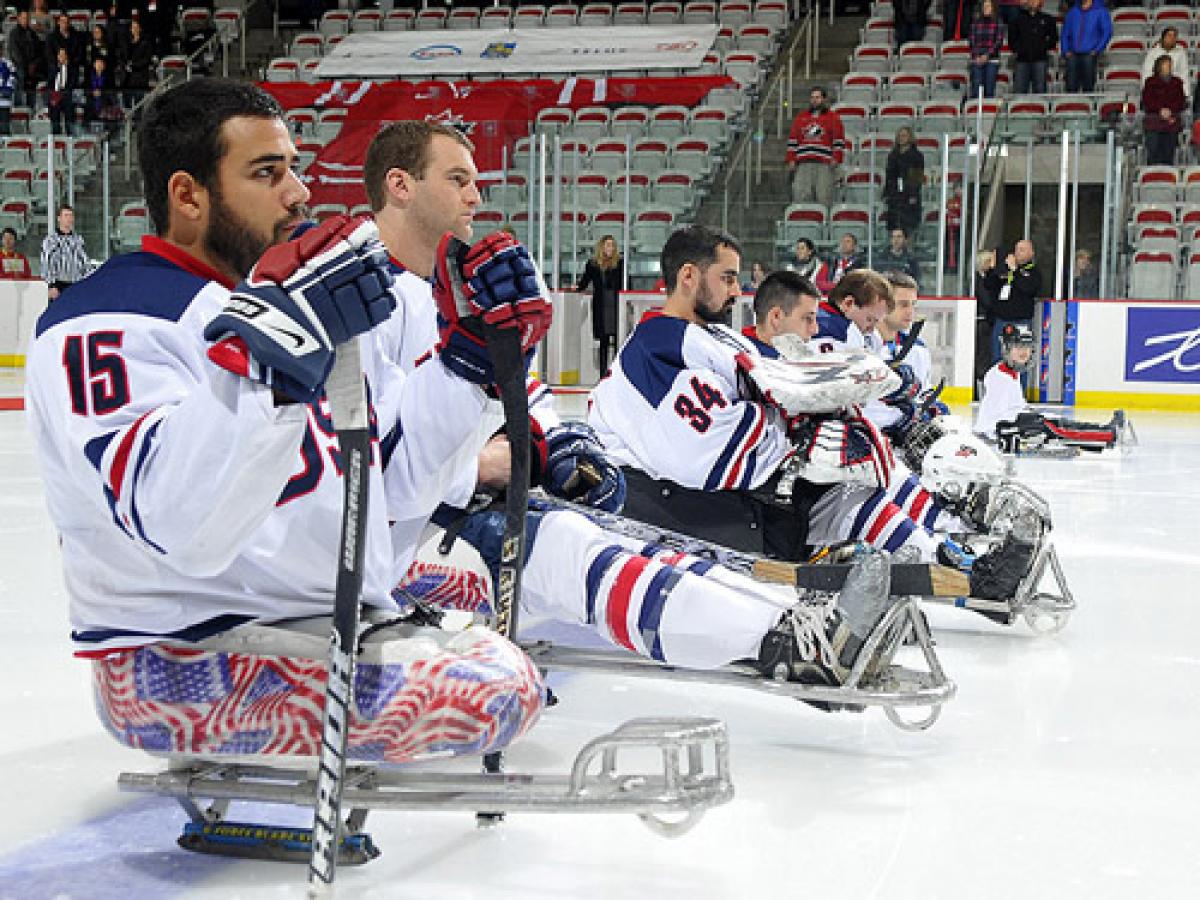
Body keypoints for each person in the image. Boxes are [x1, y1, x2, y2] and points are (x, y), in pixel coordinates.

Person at [25, 77, 552, 765]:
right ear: (188, 196)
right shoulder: (108, 315)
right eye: (267, 173)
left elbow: (387, 482)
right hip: (180, 648)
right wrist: (264, 368)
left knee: (470, 588)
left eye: (294, 169)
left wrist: (467, 362)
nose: (299, 193)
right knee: (501, 689)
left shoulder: (288, 296)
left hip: (278, 608)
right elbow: (177, 527)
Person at [362, 121, 899, 703]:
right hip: (398, 548)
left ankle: (798, 619)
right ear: (400, 185)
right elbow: (367, 465)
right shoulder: (358, 301)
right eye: (458, 179)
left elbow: (526, 395)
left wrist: (556, 442)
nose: (477, 197)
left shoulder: (447, 287)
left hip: (460, 504)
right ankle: (785, 644)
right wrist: (479, 466)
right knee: (569, 546)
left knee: (621, 537)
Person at [588, 230, 1032, 597]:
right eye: (726, 278)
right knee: (837, 488)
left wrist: (811, 421)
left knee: (854, 486)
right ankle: (960, 566)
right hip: (684, 506)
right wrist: (797, 443)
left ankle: (956, 562)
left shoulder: (719, 339)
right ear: (688, 276)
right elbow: (700, 447)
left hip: (740, 494)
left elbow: (779, 394)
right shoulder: (656, 345)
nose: (736, 290)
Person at [976, 323, 1122, 451]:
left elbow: (1013, 406)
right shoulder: (999, 377)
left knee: (1059, 422)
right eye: (1018, 347)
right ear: (1007, 349)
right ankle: (1109, 434)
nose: (1024, 352)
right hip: (1004, 427)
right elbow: (997, 417)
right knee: (1056, 428)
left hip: (1012, 422)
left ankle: (1103, 431)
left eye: (1027, 347)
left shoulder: (1011, 372)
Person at [786, 85, 844, 210]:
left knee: (824, 197)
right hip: (803, 163)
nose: (814, 100)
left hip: (824, 164)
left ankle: (824, 225)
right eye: (812, 97)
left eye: (817, 97)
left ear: (824, 99)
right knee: (801, 196)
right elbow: (793, 140)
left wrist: (836, 158)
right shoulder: (801, 117)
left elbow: (838, 141)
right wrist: (791, 159)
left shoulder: (833, 117)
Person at [988, 239, 1041, 366]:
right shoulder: (1006, 271)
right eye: (1016, 249)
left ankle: (1018, 385)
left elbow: (1028, 288)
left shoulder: (1033, 272)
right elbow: (990, 286)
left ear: (1031, 253)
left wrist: (1015, 270)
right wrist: (992, 268)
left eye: (1022, 250)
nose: (1018, 253)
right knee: (998, 359)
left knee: (1019, 361)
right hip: (1001, 321)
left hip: (1021, 323)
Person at [577, 234, 624, 373]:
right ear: (602, 247)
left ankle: (616, 373)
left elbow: (625, 283)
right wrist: (577, 287)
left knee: (617, 339)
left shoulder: (620, 263)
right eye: (607, 245)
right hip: (601, 304)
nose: (610, 248)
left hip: (616, 303)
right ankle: (603, 372)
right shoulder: (593, 264)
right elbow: (585, 282)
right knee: (603, 340)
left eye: (612, 245)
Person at [40, 205, 94, 300]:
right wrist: (51, 285)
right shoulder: (51, 240)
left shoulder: (78, 240)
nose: (69, 218)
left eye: (71, 216)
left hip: (75, 285)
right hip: (58, 286)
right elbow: (46, 263)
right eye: (66, 215)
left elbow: (84, 262)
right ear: (59, 218)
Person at [1142, 55, 1186, 166]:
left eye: (1170, 64)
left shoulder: (1177, 82)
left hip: (1172, 120)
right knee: (1153, 149)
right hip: (1154, 119)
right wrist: (1160, 110)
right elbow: (1147, 101)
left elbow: (1180, 101)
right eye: (1166, 64)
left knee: (1169, 152)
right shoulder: (1150, 82)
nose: (1169, 66)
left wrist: (1170, 111)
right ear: (1159, 66)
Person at [1061, 0, 1111, 94]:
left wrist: (1096, 50)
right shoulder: (1073, 11)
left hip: (1089, 54)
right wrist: (1066, 50)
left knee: (1088, 87)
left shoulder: (1101, 11)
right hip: (1072, 54)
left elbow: (1106, 32)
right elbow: (1065, 33)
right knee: (1070, 87)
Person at [1009, 0, 1058, 95]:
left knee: (1040, 91)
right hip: (1022, 60)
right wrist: (1020, 50)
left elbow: (1053, 38)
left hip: (1040, 60)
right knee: (1019, 91)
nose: (1032, 2)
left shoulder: (1048, 19)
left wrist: (1042, 47)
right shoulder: (1017, 20)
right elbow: (1012, 39)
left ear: (1040, 2)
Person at [882, 126, 923, 238]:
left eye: (904, 135)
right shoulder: (892, 155)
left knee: (908, 229)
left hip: (909, 197)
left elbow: (916, 178)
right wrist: (887, 193)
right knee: (894, 226)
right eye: (900, 136)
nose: (901, 138)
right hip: (894, 197)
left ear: (910, 137)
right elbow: (889, 176)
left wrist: (913, 194)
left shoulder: (917, 156)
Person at [1142, 27, 1190, 102]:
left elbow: (1184, 74)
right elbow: (1147, 73)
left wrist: (1186, 94)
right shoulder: (1152, 53)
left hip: (1174, 91)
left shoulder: (1181, 53)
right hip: (1156, 91)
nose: (1172, 38)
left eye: (1174, 36)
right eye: (1169, 36)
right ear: (1163, 38)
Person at [968, 0, 1004, 100]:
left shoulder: (998, 22)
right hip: (977, 59)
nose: (986, 9)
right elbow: (972, 40)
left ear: (993, 8)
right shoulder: (975, 22)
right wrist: (977, 56)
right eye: (984, 6)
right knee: (976, 90)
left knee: (989, 91)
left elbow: (998, 41)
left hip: (992, 59)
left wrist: (987, 55)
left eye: (988, 6)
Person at [118, 18, 155, 109]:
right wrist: (125, 65)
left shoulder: (146, 43)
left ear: (140, 28)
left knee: (139, 106)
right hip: (126, 79)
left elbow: (147, 60)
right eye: (132, 27)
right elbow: (121, 57)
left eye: (136, 27)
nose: (134, 29)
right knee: (126, 106)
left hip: (140, 78)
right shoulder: (125, 42)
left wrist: (133, 66)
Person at [6, 11, 40, 108]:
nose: (26, 20)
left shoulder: (32, 33)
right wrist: (26, 66)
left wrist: (33, 64)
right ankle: (18, 106)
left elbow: (38, 50)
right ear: (19, 19)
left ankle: (31, 107)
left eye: (27, 18)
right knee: (20, 75)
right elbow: (15, 53)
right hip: (19, 65)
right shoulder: (14, 33)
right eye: (24, 18)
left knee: (33, 80)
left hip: (32, 65)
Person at [46, 46, 78, 135]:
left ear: (67, 56)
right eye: (60, 55)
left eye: (63, 55)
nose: (61, 57)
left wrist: (65, 92)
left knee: (69, 122)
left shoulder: (72, 69)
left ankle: (70, 139)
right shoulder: (52, 68)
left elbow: (74, 82)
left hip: (67, 96)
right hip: (55, 96)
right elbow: (49, 82)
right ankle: (56, 140)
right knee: (55, 121)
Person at [0, 42, 13, 135]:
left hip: (4, 102)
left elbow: (12, 79)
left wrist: (4, 91)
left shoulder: (8, 63)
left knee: (4, 129)